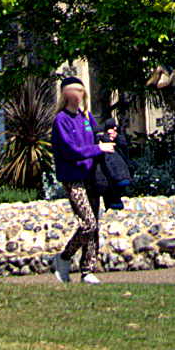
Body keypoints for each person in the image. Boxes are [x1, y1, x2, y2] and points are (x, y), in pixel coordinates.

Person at [50, 75, 112, 283]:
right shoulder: (61, 120)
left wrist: (106, 137)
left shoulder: (86, 117)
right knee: (87, 223)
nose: (78, 95)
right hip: (73, 177)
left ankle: (88, 269)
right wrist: (96, 148)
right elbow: (70, 150)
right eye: (74, 90)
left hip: (91, 176)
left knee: (95, 223)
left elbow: (97, 135)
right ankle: (65, 257)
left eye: (81, 90)